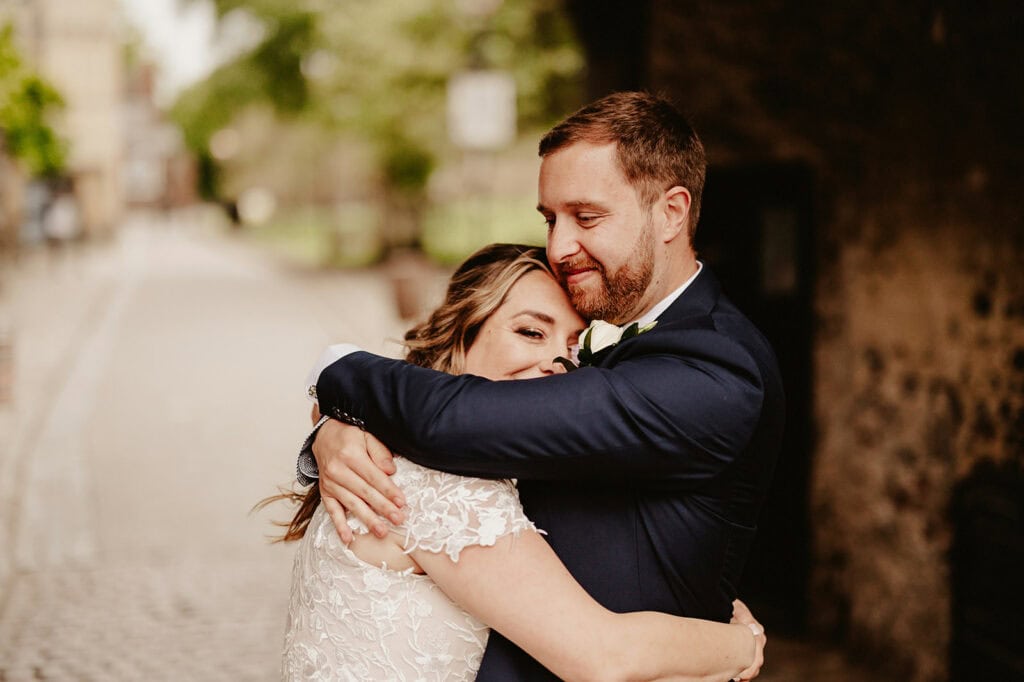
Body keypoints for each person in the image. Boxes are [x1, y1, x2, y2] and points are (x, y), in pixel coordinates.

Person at [301, 92, 786, 679]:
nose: (559, 247)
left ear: (671, 213)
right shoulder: (428, 473)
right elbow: (472, 426)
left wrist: (335, 372)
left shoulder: (715, 370)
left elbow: (460, 420)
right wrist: (337, 428)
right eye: (550, 219)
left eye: (586, 217)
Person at [272, 243, 764, 681]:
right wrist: (741, 643)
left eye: (574, 346)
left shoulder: (397, 450)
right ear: (460, 335)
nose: (558, 363)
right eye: (531, 332)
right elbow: (601, 656)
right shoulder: (444, 487)